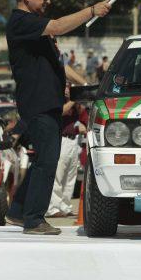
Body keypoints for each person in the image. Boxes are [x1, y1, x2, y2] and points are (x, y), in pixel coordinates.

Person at [4, 0, 110, 235]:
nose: (47, 0)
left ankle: (18, 212)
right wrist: (92, 10)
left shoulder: (35, 26)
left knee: (44, 158)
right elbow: (59, 26)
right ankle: (34, 220)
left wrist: (85, 83)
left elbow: (60, 65)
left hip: (46, 101)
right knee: (49, 159)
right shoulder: (21, 21)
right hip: (37, 102)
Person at [46, 83, 86, 217]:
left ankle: (65, 206)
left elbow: (82, 113)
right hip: (61, 139)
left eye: (70, 88)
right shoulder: (57, 100)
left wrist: (77, 100)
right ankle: (53, 208)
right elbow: (61, 111)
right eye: (66, 88)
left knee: (70, 175)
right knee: (58, 174)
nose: (68, 90)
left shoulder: (74, 104)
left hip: (73, 141)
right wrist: (72, 100)